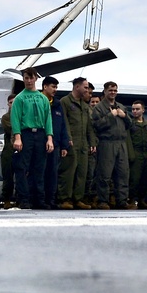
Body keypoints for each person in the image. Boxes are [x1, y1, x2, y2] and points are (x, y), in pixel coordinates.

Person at [10, 68, 53, 209]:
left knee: (39, 168)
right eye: (26, 78)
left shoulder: (43, 98)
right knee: (22, 167)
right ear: (23, 79)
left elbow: (48, 119)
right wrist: (18, 137)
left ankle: (39, 199)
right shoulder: (20, 98)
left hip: (40, 134)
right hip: (25, 134)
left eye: (31, 78)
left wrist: (49, 138)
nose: (29, 81)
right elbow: (15, 118)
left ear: (36, 78)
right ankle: (24, 199)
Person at [91, 81, 134, 209]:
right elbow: (96, 125)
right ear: (105, 91)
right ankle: (103, 201)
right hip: (107, 143)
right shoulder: (99, 107)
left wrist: (124, 116)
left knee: (123, 173)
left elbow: (130, 124)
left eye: (115, 90)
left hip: (121, 143)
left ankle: (122, 200)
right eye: (110, 90)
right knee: (104, 173)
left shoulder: (121, 107)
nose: (113, 92)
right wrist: (111, 115)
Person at [57, 77, 95, 209]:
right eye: (85, 87)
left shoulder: (85, 105)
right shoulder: (65, 102)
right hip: (71, 141)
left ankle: (78, 198)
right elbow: (64, 122)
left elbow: (89, 125)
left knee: (82, 172)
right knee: (68, 171)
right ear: (77, 87)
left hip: (83, 143)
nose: (87, 90)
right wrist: (67, 139)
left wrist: (92, 142)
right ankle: (65, 199)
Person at [41, 75, 70, 209]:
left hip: (56, 144)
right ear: (45, 87)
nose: (55, 89)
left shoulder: (57, 105)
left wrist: (64, 145)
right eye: (53, 86)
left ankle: (51, 199)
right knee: (40, 172)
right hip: (41, 142)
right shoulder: (39, 101)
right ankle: (39, 199)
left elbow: (63, 125)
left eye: (56, 87)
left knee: (53, 173)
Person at [127, 100, 147, 208]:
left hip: (146, 154)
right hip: (136, 152)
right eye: (133, 109)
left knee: (145, 178)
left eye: (137, 109)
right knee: (134, 178)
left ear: (143, 110)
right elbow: (128, 140)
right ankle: (132, 200)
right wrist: (131, 155)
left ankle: (142, 199)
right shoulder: (130, 124)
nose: (134, 111)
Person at [0, 93, 17, 209]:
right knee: (8, 176)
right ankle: (6, 199)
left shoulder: (23, 115)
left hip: (21, 148)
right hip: (9, 149)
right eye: (11, 103)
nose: (13, 105)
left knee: (21, 176)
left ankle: (20, 198)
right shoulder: (6, 117)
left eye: (15, 102)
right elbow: (11, 129)